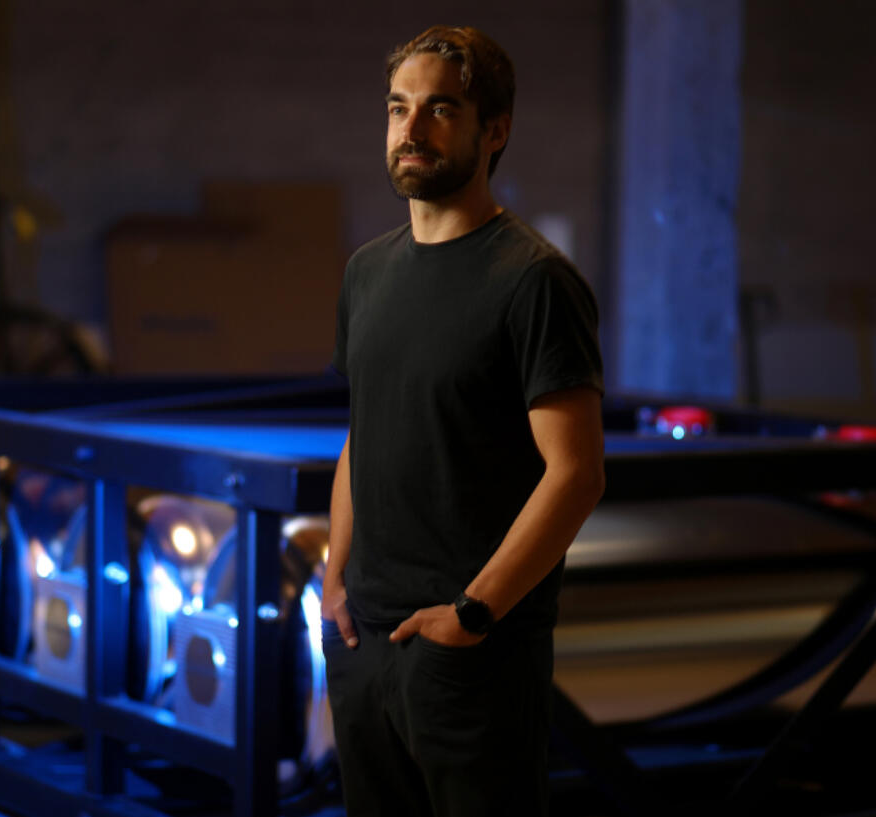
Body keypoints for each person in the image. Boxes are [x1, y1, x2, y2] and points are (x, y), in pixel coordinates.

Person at [321, 24, 606, 817]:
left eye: (439, 109)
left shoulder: (535, 282)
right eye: (397, 108)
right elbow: (362, 433)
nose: (410, 130)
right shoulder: (366, 272)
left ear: (495, 131)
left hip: (471, 653)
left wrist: (474, 613)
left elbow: (576, 473)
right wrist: (334, 578)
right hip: (362, 644)